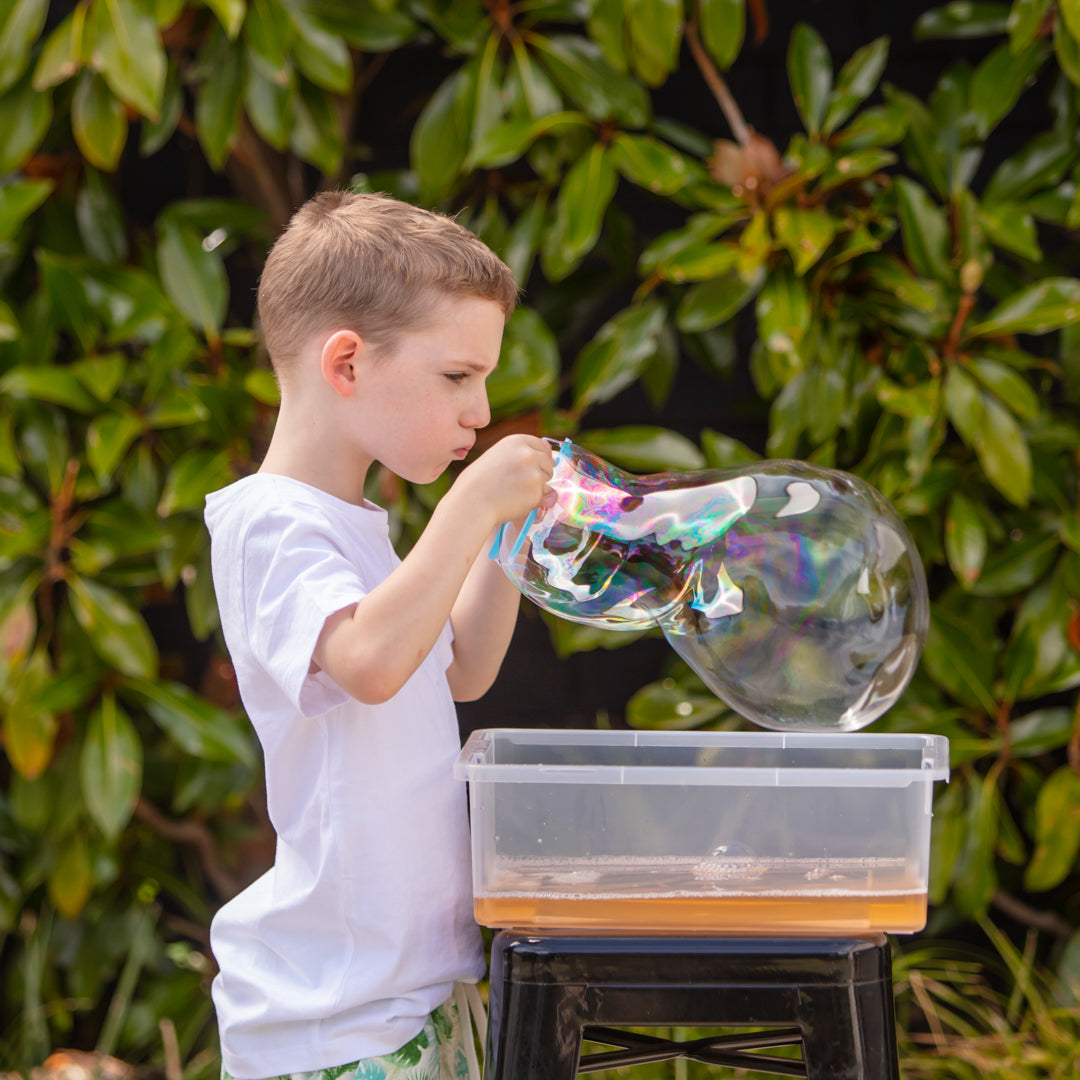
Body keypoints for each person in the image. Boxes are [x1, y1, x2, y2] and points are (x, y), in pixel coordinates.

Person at [203, 191, 555, 1080]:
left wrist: (504, 539)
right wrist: (471, 503)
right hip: (336, 1020)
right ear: (348, 363)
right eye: (456, 377)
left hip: (418, 990)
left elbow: (462, 668)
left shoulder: (362, 528)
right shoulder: (270, 524)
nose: (480, 412)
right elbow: (369, 662)